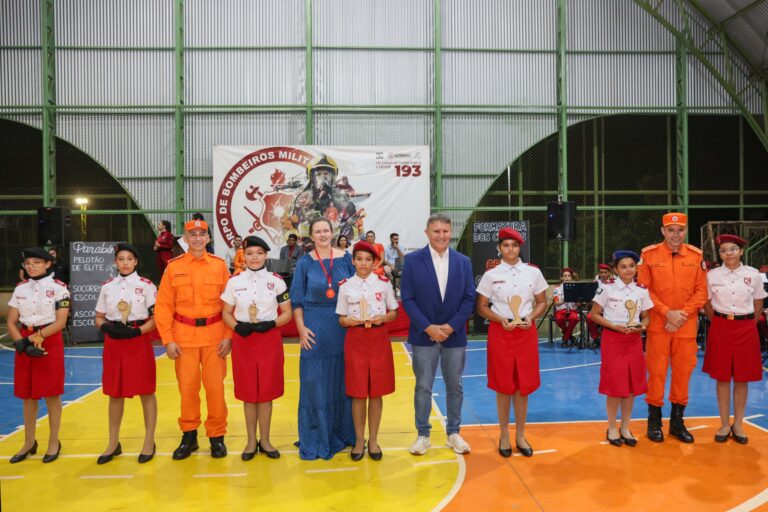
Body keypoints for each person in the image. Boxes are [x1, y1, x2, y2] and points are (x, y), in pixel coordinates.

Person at [154, 219, 232, 460]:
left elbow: (230, 305)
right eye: (192, 235)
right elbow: (163, 306)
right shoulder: (173, 266)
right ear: (185, 239)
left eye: (202, 234)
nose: (197, 239)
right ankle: (189, 436)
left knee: (215, 389)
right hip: (184, 338)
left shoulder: (219, 266)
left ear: (208, 238)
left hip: (214, 337)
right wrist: (167, 339)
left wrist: (229, 336)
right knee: (187, 390)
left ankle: (217, 437)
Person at [401, 213, 475, 456]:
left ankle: (453, 433)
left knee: (455, 386)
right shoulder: (412, 261)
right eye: (436, 231)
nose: (441, 235)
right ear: (427, 233)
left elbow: (468, 298)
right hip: (424, 336)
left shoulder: (463, 261)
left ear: (450, 232)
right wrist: (428, 327)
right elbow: (408, 299)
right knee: (423, 386)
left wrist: (452, 326)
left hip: (454, 336)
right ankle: (423, 435)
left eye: (445, 231)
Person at [476, 228, 547, 457]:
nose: (510, 249)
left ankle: (521, 435)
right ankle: (504, 434)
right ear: (499, 248)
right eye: (506, 245)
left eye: (515, 246)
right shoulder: (490, 275)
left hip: (525, 333)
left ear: (520, 248)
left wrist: (531, 317)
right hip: (501, 333)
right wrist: (500, 319)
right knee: (503, 385)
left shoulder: (533, 273)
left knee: (523, 385)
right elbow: (482, 307)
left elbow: (541, 301)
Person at [637, 212, 707, 443]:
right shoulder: (649, 255)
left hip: (685, 326)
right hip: (659, 324)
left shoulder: (697, 256)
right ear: (663, 231)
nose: (675, 234)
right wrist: (668, 312)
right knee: (656, 373)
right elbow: (645, 289)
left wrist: (682, 314)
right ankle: (654, 421)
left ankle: (677, 422)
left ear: (685, 231)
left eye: (680, 230)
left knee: (683, 374)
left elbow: (701, 291)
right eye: (671, 230)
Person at [290, 216, 356, 460]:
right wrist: (301, 329)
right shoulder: (305, 263)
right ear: (312, 235)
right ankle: (317, 436)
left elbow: (357, 290)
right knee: (315, 384)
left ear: (332, 232)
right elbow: (296, 300)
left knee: (341, 382)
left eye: (326, 230)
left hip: (342, 327)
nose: (322, 234)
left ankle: (343, 433)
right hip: (314, 327)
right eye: (317, 231)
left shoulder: (346, 259)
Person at [221, 236, 292, 460]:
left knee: (267, 392)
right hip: (244, 340)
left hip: (268, 339)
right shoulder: (234, 282)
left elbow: (288, 313)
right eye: (250, 253)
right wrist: (236, 327)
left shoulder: (277, 281)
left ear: (266, 255)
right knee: (248, 393)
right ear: (243, 255)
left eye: (259, 253)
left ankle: (266, 440)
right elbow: (225, 313)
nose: (254, 258)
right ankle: (251, 441)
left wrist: (271, 323)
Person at [94, 243, 158, 464]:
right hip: (114, 342)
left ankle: (149, 441)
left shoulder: (147, 286)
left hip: (138, 341)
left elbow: (155, 319)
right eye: (121, 259)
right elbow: (99, 316)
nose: (125, 263)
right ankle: (113, 443)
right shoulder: (107, 287)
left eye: (129, 259)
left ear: (136, 261)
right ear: (115, 262)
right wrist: (105, 327)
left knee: (146, 391)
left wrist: (137, 331)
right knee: (115, 393)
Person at [6, 247, 70, 463]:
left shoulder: (60, 289)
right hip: (24, 339)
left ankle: (54, 441)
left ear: (47, 264)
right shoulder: (20, 289)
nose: (31, 266)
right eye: (28, 263)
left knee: (52, 394)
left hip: (48, 340)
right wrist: (21, 343)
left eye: (36, 262)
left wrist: (33, 339)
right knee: (28, 395)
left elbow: (60, 322)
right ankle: (29, 442)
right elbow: (11, 321)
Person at [336, 241, 399, 461]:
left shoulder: (383, 284)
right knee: (357, 392)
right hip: (356, 339)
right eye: (359, 259)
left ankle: (373, 440)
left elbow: (393, 312)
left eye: (368, 260)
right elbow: (341, 319)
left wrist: (384, 318)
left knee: (376, 392)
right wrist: (348, 321)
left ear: (374, 262)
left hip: (378, 338)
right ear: (353, 261)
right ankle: (359, 441)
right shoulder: (345, 286)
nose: (363, 263)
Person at [703, 235, 766, 444]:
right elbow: (707, 304)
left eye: (732, 249)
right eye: (723, 250)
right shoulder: (711, 275)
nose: (728, 253)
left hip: (746, 327)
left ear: (740, 251)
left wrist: (748, 322)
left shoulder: (754, 275)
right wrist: (720, 321)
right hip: (721, 326)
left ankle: (738, 424)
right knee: (722, 377)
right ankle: (723, 423)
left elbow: (758, 303)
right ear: (719, 254)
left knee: (742, 377)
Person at [589, 250, 652, 448]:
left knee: (631, 386)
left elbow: (647, 317)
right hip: (613, 339)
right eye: (623, 267)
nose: (628, 270)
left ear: (636, 268)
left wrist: (642, 326)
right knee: (615, 387)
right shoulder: (607, 289)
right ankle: (612, 427)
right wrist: (614, 326)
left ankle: (625, 426)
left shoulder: (641, 290)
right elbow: (594, 314)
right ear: (616, 269)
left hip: (633, 341)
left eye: (632, 266)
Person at [553, 267, 579, 348]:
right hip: (560, 310)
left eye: (568, 276)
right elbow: (556, 303)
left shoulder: (576, 288)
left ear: (571, 277)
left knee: (574, 318)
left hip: (572, 310)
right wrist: (565, 299)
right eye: (565, 276)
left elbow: (578, 305)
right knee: (559, 319)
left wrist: (577, 299)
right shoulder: (556, 289)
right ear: (561, 278)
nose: (567, 277)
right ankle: (570, 336)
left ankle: (565, 339)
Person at [587, 263, 614, 343]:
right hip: (598, 310)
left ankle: (605, 337)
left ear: (609, 272)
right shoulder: (595, 282)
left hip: (611, 310)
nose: (603, 274)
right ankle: (595, 337)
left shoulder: (614, 282)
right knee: (589, 318)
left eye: (605, 272)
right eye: (601, 272)